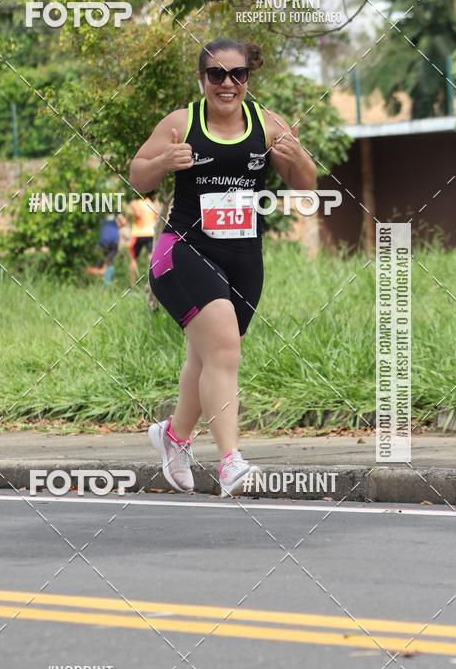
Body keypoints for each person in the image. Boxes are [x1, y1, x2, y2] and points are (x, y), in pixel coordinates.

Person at [129, 38, 317, 497]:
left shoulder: (268, 126)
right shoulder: (182, 122)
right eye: (217, 75)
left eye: (238, 75)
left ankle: (173, 437)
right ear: (202, 79)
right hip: (183, 251)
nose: (228, 84)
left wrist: (300, 162)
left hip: (244, 259)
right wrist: (163, 162)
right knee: (225, 348)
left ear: (248, 81)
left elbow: (307, 186)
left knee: (208, 356)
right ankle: (230, 461)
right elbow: (137, 175)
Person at [127, 196, 156, 285]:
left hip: (138, 233)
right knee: (151, 257)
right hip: (151, 233)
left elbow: (138, 214)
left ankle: (132, 285)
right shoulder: (152, 203)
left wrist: (131, 209)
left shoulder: (135, 202)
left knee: (133, 259)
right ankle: (153, 282)